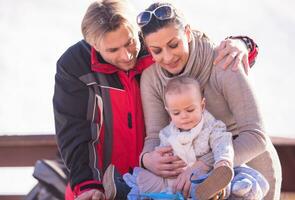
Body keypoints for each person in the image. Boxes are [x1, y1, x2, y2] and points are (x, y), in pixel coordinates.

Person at [53, 0, 260, 199]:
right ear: (94, 46)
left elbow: (196, 49)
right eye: (113, 50)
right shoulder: (75, 68)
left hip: (170, 171)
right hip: (103, 184)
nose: (126, 56)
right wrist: (87, 183)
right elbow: (74, 132)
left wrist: (243, 44)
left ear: (137, 32)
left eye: (130, 43)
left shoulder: (154, 48)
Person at [137, 2, 281, 200]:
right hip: (192, 177)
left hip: (247, 168)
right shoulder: (151, 78)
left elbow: (256, 135)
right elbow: (154, 134)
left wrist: (207, 163)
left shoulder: (224, 61)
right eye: (157, 50)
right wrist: (146, 159)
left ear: (187, 33)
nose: (168, 57)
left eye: (173, 44)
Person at [123, 77, 269, 200]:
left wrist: (223, 162)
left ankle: (223, 190)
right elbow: (162, 156)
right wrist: (163, 163)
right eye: (176, 113)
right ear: (169, 113)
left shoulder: (211, 127)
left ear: (202, 105)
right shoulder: (167, 134)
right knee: (143, 179)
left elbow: (222, 143)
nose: (184, 116)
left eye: (190, 110)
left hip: (209, 173)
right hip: (178, 180)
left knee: (238, 174)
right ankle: (122, 188)